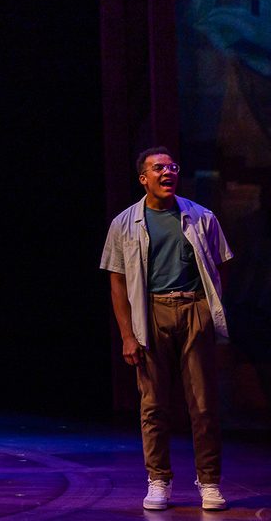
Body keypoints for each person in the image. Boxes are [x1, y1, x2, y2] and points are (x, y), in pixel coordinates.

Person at [101, 147, 233, 512]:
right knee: (153, 404)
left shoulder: (201, 217)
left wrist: (207, 310)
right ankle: (158, 480)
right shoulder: (124, 223)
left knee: (204, 404)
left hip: (193, 308)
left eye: (172, 167)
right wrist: (127, 334)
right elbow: (117, 283)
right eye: (158, 168)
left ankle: (209, 481)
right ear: (143, 178)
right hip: (152, 312)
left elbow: (221, 266)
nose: (167, 172)